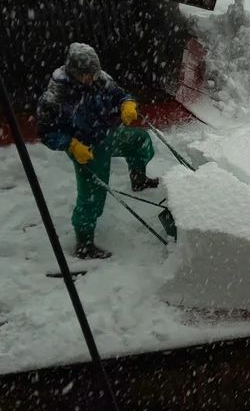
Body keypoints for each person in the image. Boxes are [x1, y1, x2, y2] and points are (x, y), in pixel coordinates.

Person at [37, 43, 160, 259]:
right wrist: (70, 145)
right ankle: (84, 244)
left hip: (108, 134)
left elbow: (120, 94)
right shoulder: (56, 96)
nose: (94, 78)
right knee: (92, 196)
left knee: (140, 140)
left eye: (95, 73)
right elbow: (46, 132)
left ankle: (138, 178)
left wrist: (127, 104)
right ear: (75, 72)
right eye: (88, 74)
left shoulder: (100, 78)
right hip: (86, 147)